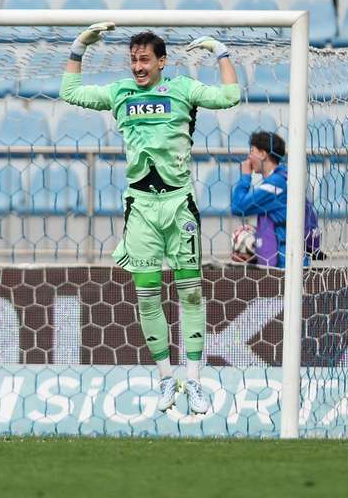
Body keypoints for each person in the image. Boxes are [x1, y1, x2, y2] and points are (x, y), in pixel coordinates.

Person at [60, 23, 240, 414]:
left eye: (145, 60)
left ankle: (193, 379)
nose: (138, 67)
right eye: (133, 60)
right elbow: (69, 91)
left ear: (162, 62)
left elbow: (230, 96)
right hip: (141, 207)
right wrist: (79, 47)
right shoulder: (119, 93)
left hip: (179, 205)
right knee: (147, 295)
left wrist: (220, 51)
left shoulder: (183, 90)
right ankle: (165, 379)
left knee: (190, 291)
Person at [230, 131, 320, 268]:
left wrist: (245, 176)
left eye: (252, 151)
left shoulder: (276, 184)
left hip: (284, 264)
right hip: (290, 259)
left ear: (263, 154)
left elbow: (238, 207)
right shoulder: (284, 178)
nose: (248, 157)